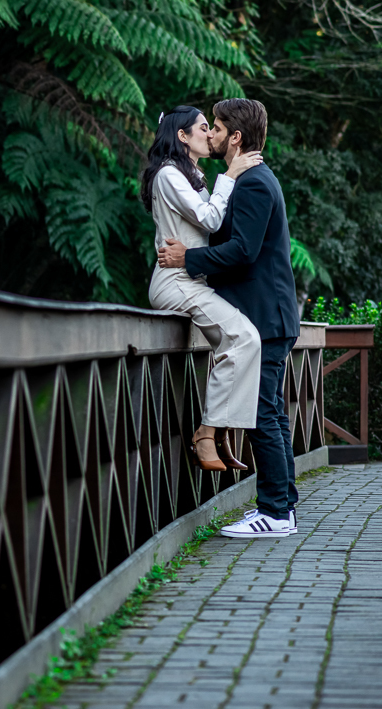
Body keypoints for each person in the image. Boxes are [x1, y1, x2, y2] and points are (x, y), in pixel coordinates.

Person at [158, 99, 301, 538]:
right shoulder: (248, 179)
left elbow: (244, 250)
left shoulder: (255, 182)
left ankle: (275, 513)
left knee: (263, 413)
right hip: (266, 316)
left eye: (217, 128)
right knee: (271, 413)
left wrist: (188, 256)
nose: (212, 134)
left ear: (235, 137)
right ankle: (283, 509)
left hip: (267, 318)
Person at [142, 105, 263, 472]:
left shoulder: (189, 174)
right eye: (203, 127)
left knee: (241, 342)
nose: (209, 134)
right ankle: (206, 433)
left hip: (190, 279)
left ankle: (219, 432)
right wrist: (231, 173)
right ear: (183, 136)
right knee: (244, 338)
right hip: (176, 282)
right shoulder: (167, 175)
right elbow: (210, 218)